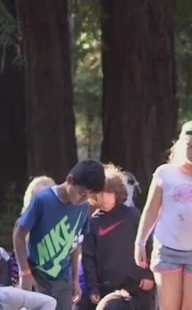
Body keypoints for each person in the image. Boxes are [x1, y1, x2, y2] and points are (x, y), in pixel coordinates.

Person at [13, 159, 105, 310]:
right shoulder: (43, 200)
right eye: (82, 193)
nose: (83, 199)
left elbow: (75, 244)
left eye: (89, 196)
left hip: (63, 280)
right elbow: (19, 233)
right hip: (38, 276)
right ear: (70, 180)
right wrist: (25, 272)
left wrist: (75, 279)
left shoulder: (83, 208)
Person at [79, 164, 154, 310]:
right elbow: (88, 259)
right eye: (99, 194)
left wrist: (149, 275)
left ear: (117, 192)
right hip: (108, 291)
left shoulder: (133, 215)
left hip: (138, 287)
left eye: (108, 193)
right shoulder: (92, 223)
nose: (104, 198)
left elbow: (148, 245)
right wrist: (93, 288)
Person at [135, 120, 192, 310]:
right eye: (189, 144)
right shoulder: (164, 173)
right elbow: (151, 210)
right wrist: (140, 242)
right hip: (167, 250)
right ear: (180, 144)